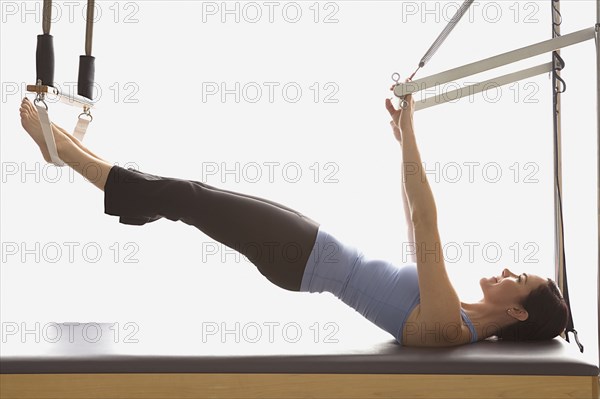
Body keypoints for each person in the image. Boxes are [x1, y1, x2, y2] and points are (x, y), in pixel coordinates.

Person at [18, 90, 568, 347]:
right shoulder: (459, 310)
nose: (505, 271)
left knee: (188, 197)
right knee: (193, 196)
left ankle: (62, 153)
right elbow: (413, 225)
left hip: (303, 258)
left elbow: (428, 224)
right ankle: (62, 150)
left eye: (518, 280)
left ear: (519, 314)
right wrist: (401, 139)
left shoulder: (454, 325)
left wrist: (414, 132)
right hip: (310, 246)